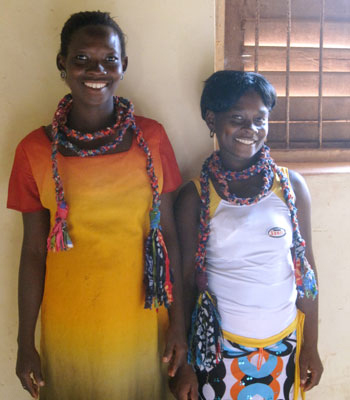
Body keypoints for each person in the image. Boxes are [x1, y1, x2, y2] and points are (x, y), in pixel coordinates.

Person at [7, 11, 187, 400]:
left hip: (142, 325)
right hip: (70, 329)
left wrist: (179, 326)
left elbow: (169, 237)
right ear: (62, 64)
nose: (97, 70)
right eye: (82, 59)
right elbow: (34, 251)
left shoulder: (151, 138)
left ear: (124, 65)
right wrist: (25, 343)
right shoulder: (33, 151)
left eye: (109, 59)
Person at [172, 71, 323, 400]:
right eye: (237, 118)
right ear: (212, 120)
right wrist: (184, 364)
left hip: (283, 344)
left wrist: (310, 345)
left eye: (260, 119)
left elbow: (306, 272)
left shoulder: (290, 187)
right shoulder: (195, 197)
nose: (250, 130)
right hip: (217, 349)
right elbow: (183, 282)